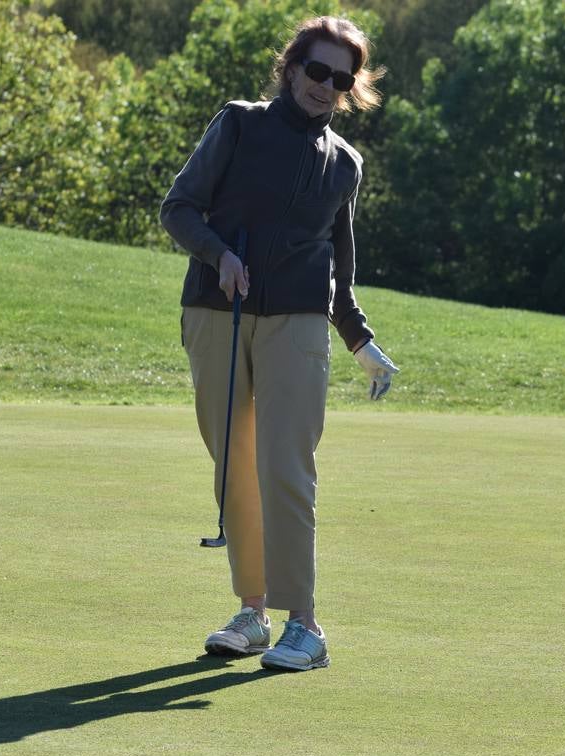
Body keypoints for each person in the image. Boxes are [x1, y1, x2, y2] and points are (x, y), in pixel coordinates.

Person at [160, 16, 399, 673]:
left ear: (350, 88)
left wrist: (362, 344)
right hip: (217, 311)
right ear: (292, 68)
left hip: (298, 323)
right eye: (317, 71)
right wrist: (219, 255)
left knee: (284, 469)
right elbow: (178, 207)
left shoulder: (344, 165)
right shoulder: (238, 124)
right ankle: (253, 613)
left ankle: (306, 627)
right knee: (234, 466)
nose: (326, 86)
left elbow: (338, 278)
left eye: (340, 78)